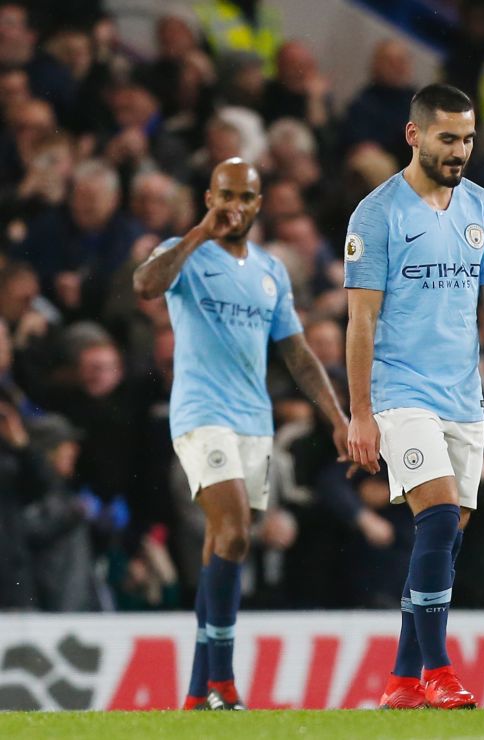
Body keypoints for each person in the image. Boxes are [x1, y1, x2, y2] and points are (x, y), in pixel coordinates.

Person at [344, 84, 484, 710]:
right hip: (400, 391)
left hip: (464, 396)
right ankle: (437, 669)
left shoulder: (483, 208)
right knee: (435, 516)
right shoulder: (376, 215)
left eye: (468, 139)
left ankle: (402, 679)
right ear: (414, 135)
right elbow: (362, 322)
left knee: (447, 537)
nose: (460, 151)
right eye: (448, 138)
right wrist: (361, 412)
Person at [132, 158, 349, 710]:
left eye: (245, 198)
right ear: (209, 196)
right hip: (202, 413)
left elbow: (297, 353)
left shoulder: (271, 270)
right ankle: (224, 682)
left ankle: (194, 691)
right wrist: (201, 231)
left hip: (255, 420)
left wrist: (337, 417)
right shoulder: (184, 250)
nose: (234, 206)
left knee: (220, 547)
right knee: (233, 535)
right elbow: (145, 284)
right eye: (224, 196)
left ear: (259, 204)